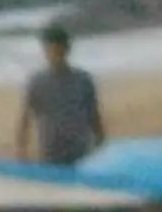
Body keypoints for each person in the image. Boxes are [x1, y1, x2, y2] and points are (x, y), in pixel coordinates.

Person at [14, 25, 104, 166]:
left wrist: (101, 144)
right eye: (51, 51)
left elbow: (94, 115)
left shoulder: (83, 80)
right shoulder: (37, 82)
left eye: (59, 51)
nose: (55, 56)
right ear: (45, 51)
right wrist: (21, 150)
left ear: (67, 49)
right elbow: (26, 118)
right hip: (50, 153)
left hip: (80, 150)